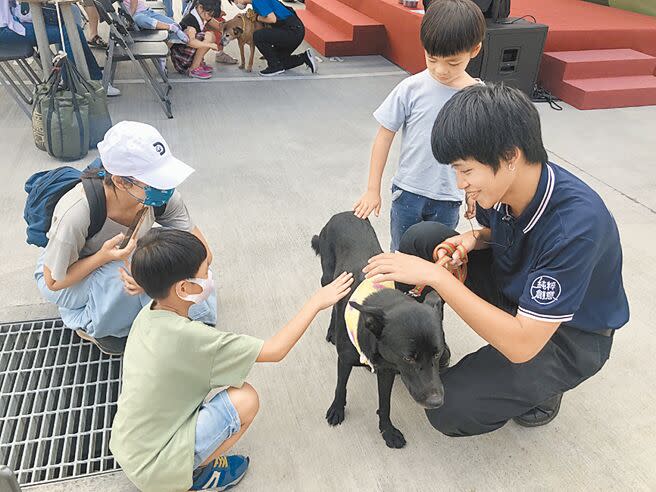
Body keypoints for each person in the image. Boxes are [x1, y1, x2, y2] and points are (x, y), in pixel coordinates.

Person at [364, 83, 630, 435]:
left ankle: (545, 388)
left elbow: (522, 344)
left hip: (569, 335)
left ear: (509, 157)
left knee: (451, 408)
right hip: (519, 285)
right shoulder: (508, 189)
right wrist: (472, 238)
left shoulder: (576, 227)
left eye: (466, 170)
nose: (460, 184)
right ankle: (428, 347)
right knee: (423, 238)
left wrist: (438, 277)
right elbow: (504, 234)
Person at [110, 228, 353, 491]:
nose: (209, 278)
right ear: (183, 287)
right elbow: (275, 350)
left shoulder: (147, 315)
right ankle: (193, 477)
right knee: (246, 399)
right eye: (204, 273)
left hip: (128, 446)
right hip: (157, 469)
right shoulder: (194, 339)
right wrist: (316, 301)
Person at [34, 121, 216, 356]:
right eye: (155, 180)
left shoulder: (161, 197)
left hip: (121, 253)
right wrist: (103, 257)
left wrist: (159, 279)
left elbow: (201, 254)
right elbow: (53, 281)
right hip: (66, 272)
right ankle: (92, 324)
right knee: (123, 276)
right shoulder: (77, 211)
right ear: (120, 181)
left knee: (168, 260)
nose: (166, 187)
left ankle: (160, 317)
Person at [353, 0, 484, 252]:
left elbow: (478, 152)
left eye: (453, 62)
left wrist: (473, 190)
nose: (441, 70)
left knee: (440, 256)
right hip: (408, 193)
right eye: (431, 59)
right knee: (401, 253)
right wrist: (372, 189)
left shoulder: (477, 96)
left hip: (449, 198)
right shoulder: (411, 88)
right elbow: (384, 136)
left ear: (475, 50)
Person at [0, 0, 120, 95]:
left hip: (12, 23)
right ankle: (77, 84)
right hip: (5, 32)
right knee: (70, 32)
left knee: (72, 25)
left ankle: (89, 78)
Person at [230, 0, 317, 76]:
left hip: (292, 31)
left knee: (258, 36)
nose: (237, 4)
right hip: (294, 31)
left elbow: (272, 19)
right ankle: (305, 57)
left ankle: (274, 67)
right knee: (277, 59)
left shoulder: (257, 1)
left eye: (235, 1)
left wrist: (257, 17)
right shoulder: (255, 3)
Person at [171, 0, 222, 78]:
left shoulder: (200, 14)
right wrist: (209, 44)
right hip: (181, 59)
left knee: (210, 35)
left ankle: (198, 63)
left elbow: (219, 26)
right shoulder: (191, 21)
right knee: (207, 37)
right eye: (209, 14)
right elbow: (190, 42)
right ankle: (193, 69)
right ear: (201, 8)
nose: (210, 18)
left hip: (186, 55)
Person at [122, 0, 190, 44]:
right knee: (139, 19)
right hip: (136, 16)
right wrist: (129, 19)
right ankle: (171, 27)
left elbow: (134, 3)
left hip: (147, 11)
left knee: (175, 24)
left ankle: (163, 56)